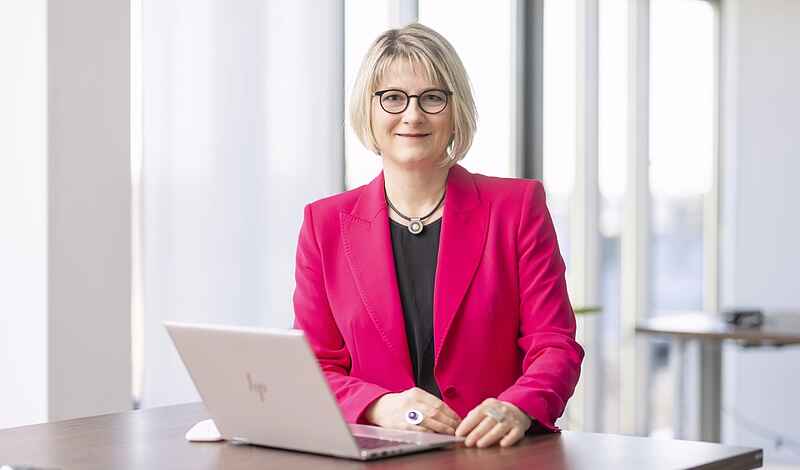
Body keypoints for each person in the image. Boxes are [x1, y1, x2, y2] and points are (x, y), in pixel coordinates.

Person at [293, 23, 583, 448]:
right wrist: (379, 406)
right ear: (367, 110)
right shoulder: (324, 224)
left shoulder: (517, 208)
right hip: (374, 453)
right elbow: (312, 365)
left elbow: (554, 345)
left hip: (489, 453)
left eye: (432, 98)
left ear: (455, 110)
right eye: (393, 98)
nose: (412, 115)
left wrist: (517, 406)